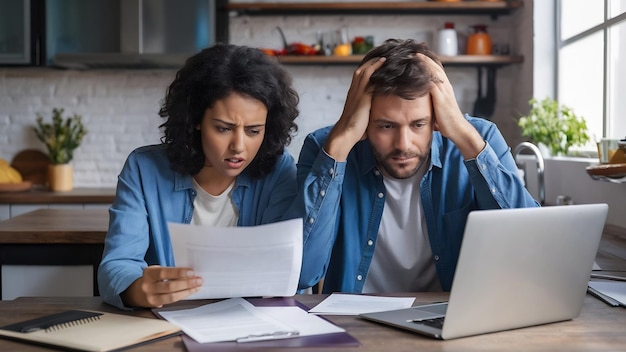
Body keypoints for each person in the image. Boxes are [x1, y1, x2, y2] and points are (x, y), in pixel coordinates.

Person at [292, 39, 539, 294]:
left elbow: (531, 252)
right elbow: (301, 274)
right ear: (364, 119)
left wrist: (466, 139)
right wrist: (339, 146)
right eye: (386, 126)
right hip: (353, 323)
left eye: (418, 124)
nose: (403, 144)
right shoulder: (326, 147)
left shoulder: (480, 139)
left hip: (450, 320)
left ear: (437, 118)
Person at [98, 43, 300, 309]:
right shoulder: (143, 169)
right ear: (196, 119)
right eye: (223, 128)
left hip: (252, 327)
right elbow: (117, 264)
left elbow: (286, 270)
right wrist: (136, 290)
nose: (239, 146)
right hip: (168, 327)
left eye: (253, 131)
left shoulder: (279, 170)